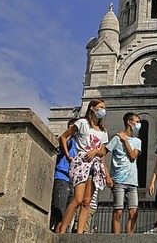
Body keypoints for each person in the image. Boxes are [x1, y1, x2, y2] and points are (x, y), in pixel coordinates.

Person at [57, 99, 112, 234]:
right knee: (78, 199)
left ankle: (79, 234)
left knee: (87, 202)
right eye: (101, 107)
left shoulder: (103, 131)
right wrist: (69, 156)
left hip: (96, 165)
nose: (103, 110)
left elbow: (103, 152)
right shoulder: (82, 123)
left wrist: (96, 152)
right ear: (92, 108)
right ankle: (62, 232)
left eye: (104, 108)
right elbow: (63, 137)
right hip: (81, 163)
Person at [106, 112, 142, 234]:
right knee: (118, 212)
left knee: (133, 212)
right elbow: (103, 153)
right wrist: (107, 176)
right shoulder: (116, 138)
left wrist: (124, 140)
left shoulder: (137, 141)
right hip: (118, 180)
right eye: (137, 122)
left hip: (132, 181)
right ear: (129, 122)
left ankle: (128, 238)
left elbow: (133, 156)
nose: (138, 124)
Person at [50, 117, 78, 232]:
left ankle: (57, 235)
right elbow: (62, 140)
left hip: (71, 180)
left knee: (64, 215)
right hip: (62, 177)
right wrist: (70, 132)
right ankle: (48, 229)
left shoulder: (76, 144)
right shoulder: (66, 140)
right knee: (57, 211)